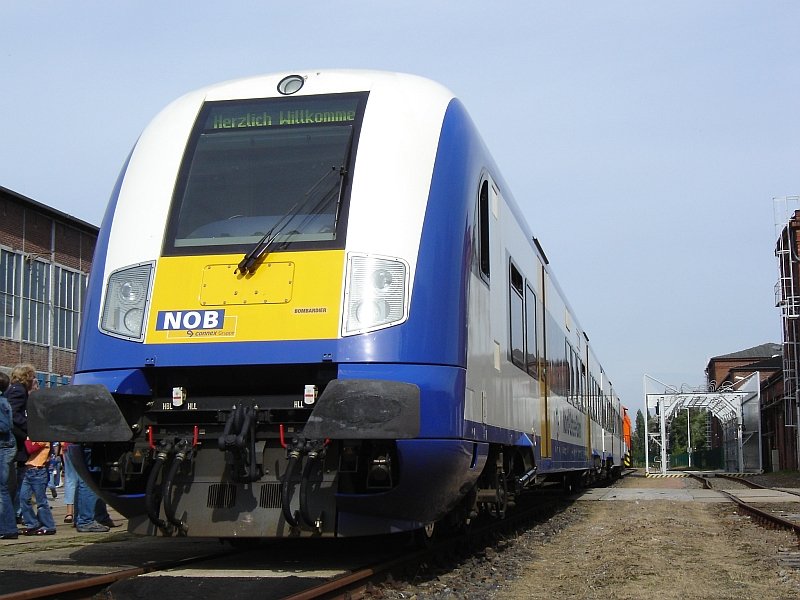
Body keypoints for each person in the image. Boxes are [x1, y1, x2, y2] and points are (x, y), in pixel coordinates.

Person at [6, 364, 37, 522]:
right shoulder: (19, 390)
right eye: (32, 376)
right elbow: (14, 413)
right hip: (17, 440)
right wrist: (28, 427)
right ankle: (17, 511)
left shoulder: (13, 389)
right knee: (20, 478)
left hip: (14, 438)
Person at [19, 438, 56, 535]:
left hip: (39, 471)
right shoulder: (34, 438)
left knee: (41, 501)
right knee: (23, 498)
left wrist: (26, 439)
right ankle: (32, 523)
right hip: (29, 470)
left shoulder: (43, 438)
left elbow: (31, 449)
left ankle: (49, 526)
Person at [0, 372, 18, 540]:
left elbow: (5, 426)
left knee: (2, 489)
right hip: (5, 446)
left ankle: (8, 528)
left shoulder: (1, 403)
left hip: (3, 447)